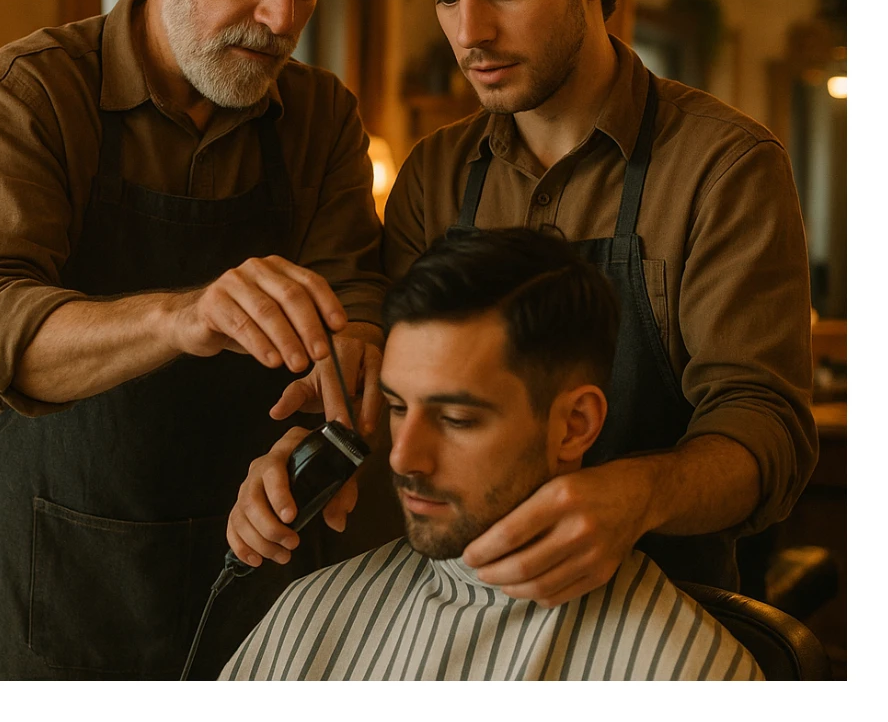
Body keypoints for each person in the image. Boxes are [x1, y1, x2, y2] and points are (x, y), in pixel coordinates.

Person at [228, 0, 817, 607]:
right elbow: (402, 397)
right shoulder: (436, 175)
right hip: (459, 610)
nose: (469, 34)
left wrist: (638, 495)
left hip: (659, 617)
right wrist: (309, 456)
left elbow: (768, 427)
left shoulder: (723, 168)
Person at [0, 0, 388, 680]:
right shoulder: (29, 96)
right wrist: (183, 318)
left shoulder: (323, 117)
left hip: (264, 572)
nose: (282, 14)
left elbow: (356, 305)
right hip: (58, 586)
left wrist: (326, 415)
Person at [220, 229, 762, 681]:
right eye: (398, 407)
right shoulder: (311, 612)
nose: (403, 459)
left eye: (457, 419)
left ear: (574, 425)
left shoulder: (687, 673)